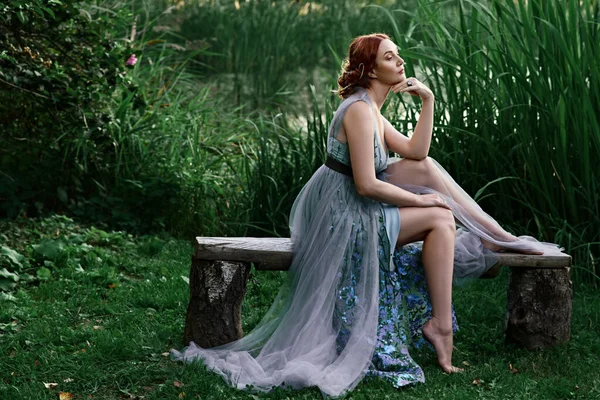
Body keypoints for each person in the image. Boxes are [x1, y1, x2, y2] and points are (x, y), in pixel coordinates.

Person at [171, 33, 564, 398]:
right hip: (345, 217)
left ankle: (494, 236)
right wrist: (426, 203)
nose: (399, 61)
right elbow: (367, 185)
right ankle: (441, 325)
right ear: (370, 70)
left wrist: (427, 102)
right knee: (441, 219)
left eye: (398, 55)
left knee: (426, 172)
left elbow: (416, 152)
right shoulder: (358, 111)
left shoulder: (373, 108)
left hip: (355, 207)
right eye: (389, 57)